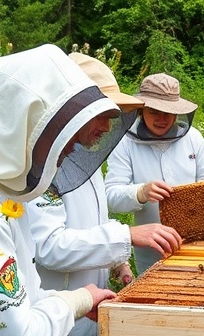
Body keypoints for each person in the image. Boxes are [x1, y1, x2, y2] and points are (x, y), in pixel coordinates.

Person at [0, 44, 144, 335]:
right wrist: (74, 301)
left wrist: (74, 300)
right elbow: (17, 332)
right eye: (61, 125)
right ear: (22, 123)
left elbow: (22, 296)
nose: (71, 142)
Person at [21, 53, 182, 336]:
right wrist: (128, 236)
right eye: (103, 115)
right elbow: (48, 247)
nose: (108, 126)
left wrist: (119, 262)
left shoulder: (87, 158)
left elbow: (95, 220)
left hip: (92, 310)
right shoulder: (43, 163)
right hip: (56, 317)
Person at [105, 73, 204, 274]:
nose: (161, 118)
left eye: (168, 111)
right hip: (151, 251)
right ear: (141, 110)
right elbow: (111, 197)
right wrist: (140, 192)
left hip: (197, 243)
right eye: (154, 111)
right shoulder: (124, 143)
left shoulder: (194, 138)